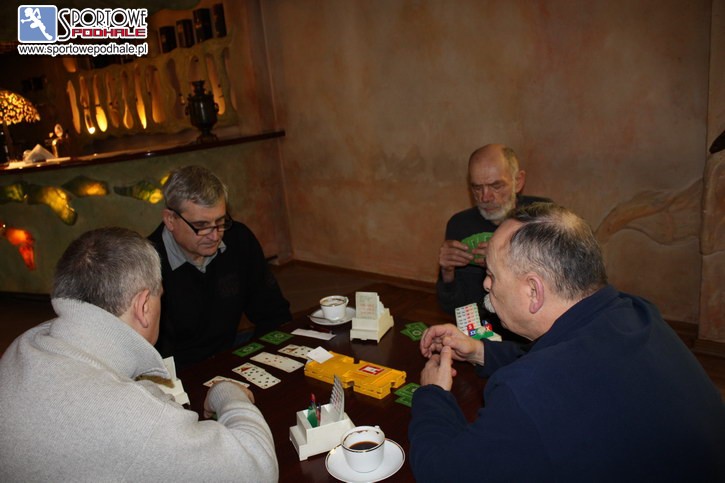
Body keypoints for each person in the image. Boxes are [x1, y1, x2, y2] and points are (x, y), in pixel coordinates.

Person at [412, 203, 725, 482]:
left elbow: (441, 471)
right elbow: (565, 362)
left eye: (492, 274)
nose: (485, 283)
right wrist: (480, 351)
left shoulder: (527, 392)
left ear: (533, 291)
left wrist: (433, 393)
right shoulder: (635, 311)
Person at [0, 227, 278, 481]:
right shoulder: (133, 415)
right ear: (143, 306)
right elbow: (258, 468)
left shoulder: (22, 346)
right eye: (160, 296)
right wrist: (228, 394)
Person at [148, 165, 291, 368]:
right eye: (201, 225)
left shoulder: (239, 239)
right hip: (181, 372)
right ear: (170, 220)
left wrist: (258, 363)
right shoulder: (144, 265)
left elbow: (274, 314)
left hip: (229, 355)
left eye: (220, 221)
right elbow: (152, 361)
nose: (215, 236)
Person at [436, 144, 550, 335]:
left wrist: (503, 262)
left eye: (496, 186)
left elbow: (556, 296)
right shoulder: (459, 224)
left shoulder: (543, 218)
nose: (485, 197)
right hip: (479, 334)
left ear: (518, 181)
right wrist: (447, 274)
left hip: (532, 335)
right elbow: (451, 308)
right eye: (477, 187)